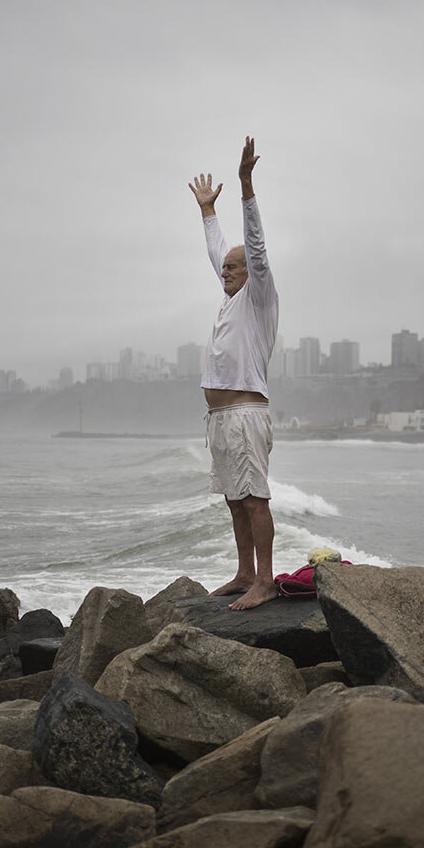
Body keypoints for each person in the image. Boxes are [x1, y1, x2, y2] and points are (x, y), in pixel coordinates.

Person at [188, 137, 279, 610]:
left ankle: (266, 579)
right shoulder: (229, 298)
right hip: (220, 419)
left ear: (251, 272)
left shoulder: (258, 296)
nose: (225, 271)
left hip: (245, 413)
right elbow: (217, 251)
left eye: (233, 267)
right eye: (224, 267)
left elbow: (254, 245)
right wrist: (208, 212)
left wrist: (245, 185)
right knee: (232, 496)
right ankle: (245, 572)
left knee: (254, 498)